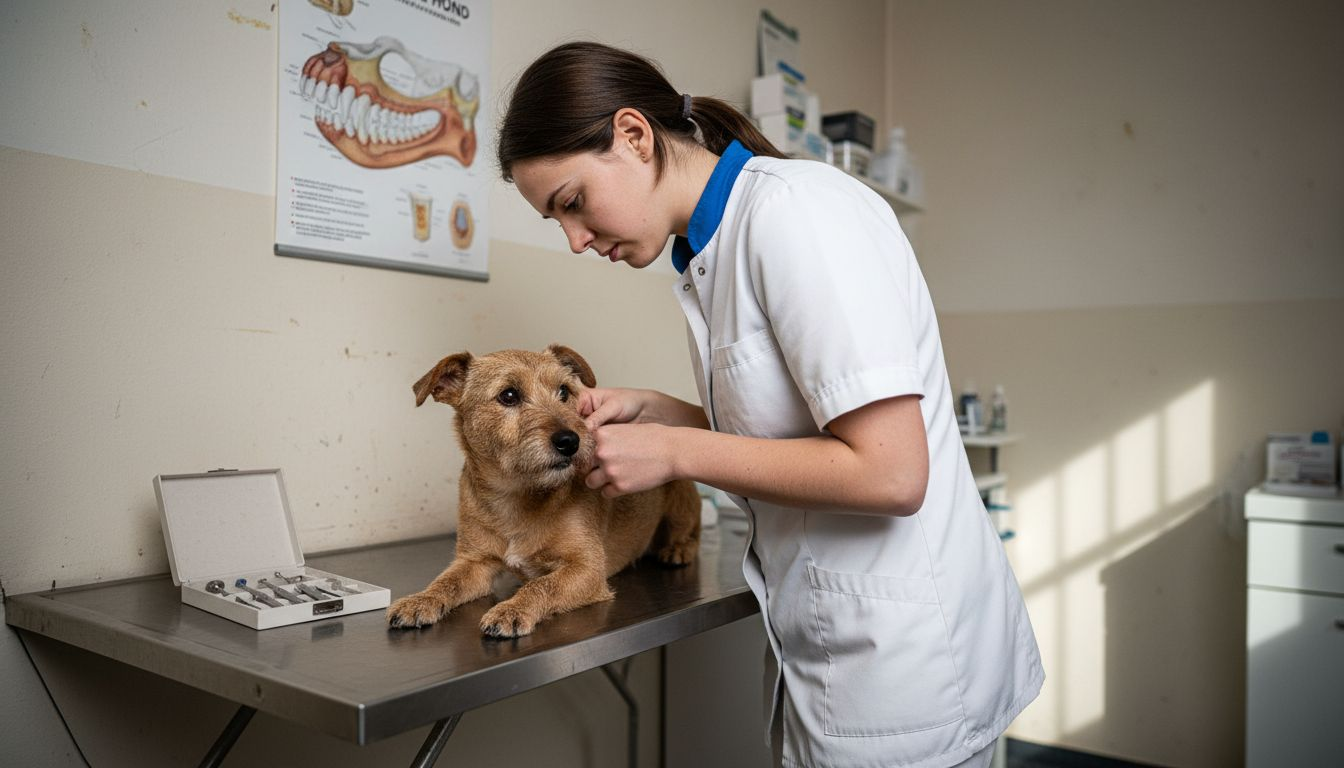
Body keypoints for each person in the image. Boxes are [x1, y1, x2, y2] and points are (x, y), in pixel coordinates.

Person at [496, 41, 1043, 768]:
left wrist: (679, 452)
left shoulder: (797, 215)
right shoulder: (709, 249)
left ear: (633, 135)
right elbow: (799, 430)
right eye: (554, 221)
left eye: (572, 203)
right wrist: (664, 414)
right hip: (831, 650)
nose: (574, 239)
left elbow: (891, 472)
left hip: (905, 668)